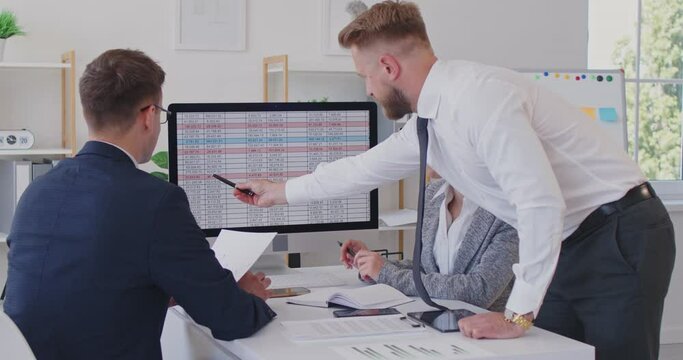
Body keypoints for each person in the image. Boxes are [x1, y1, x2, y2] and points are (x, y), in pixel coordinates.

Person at [234, 2, 675, 359]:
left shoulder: (479, 99)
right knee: (554, 354)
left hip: (618, 231)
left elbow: (540, 203)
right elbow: (363, 168)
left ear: (387, 67)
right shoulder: (432, 117)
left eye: (365, 76)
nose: (367, 88)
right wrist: (280, 192)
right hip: (569, 240)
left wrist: (517, 315)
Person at [3, 49, 275, 360]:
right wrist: (250, 298)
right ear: (148, 115)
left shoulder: (37, 190)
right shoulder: (156, 201)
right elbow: (229, 318)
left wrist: (166, 290)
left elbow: (80, 287)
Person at [341, 174, 519, 311]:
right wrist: (374, 265)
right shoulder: (433, 193)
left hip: (484, 337)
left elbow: (480, 291)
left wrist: (387, 274)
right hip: (433, 322)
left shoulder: (506, 207)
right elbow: (426, 270)